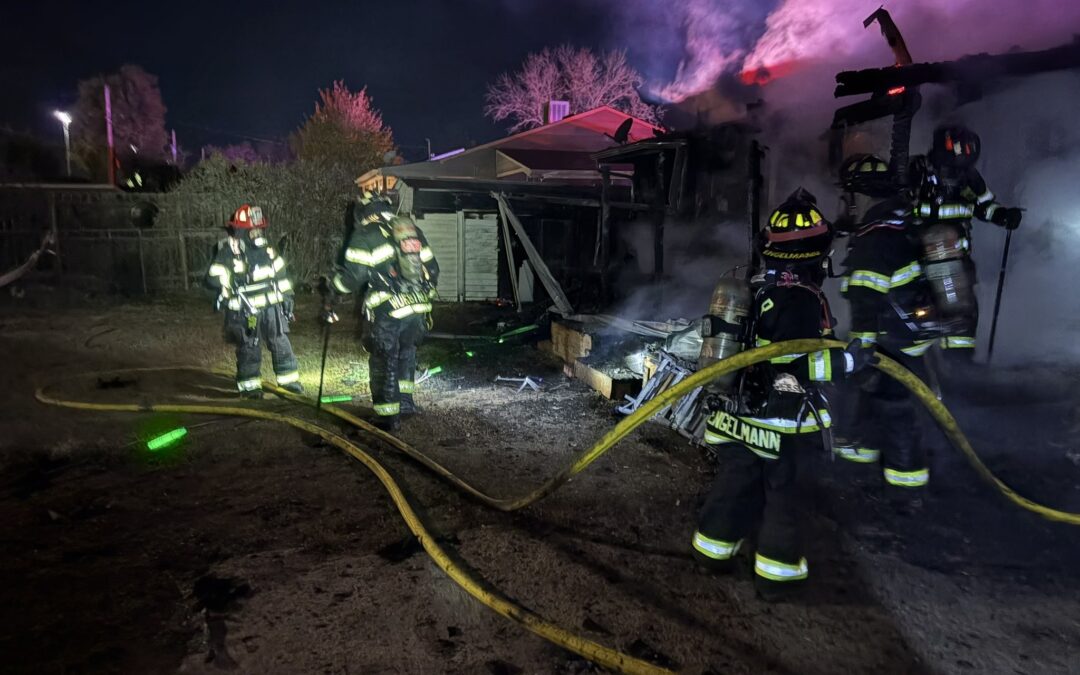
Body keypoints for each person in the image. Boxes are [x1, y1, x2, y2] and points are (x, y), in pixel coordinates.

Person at [692, 189, 877, 601]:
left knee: (733, 488)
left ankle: (711, 553)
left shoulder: (755, 287)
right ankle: (778, 578)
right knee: (785, 498)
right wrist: (849, 362)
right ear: (817, 253)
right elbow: (794, 365)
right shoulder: (801, 299)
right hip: (782, 422)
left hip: (739, 416)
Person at [833, 154, 936, 493]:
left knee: (895, 406)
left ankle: (906, 483)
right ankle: (864, 452)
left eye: (846, 196)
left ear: (858, 195)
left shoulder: (875, 237)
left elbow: (865, 294)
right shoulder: (898, 220)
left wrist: (862, 348)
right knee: (876, 395)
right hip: (904, 332)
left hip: (890, 337)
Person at [323, 192, 439, 432]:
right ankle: (405, 403)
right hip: (418, 309)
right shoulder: (412, 231)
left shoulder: (365, 234)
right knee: (407, 353)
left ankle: (387, 416)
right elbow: (434, 269)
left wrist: (333, 288)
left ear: (363, 213)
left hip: (389, 311)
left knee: (383, 359)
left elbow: (353, 278)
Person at [911, 125, 1022, 357]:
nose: (964, 154)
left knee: (962, 314)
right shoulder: (917, 170)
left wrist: (1003, 216)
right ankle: (919, 366)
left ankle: (960, 367)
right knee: (923, 313)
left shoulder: (969, 176)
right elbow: (901, 207)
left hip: (957, 259)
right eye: (960, 147)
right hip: (919, 260)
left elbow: (986, 206)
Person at [205, 204, 301, 398]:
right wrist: (229, 278)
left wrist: (288, 296)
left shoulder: (269, 250)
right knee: (249, 346)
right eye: (253, 230)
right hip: (246, 311)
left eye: (260, 229)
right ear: (241, 231)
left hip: (272, 308)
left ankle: (289, 384)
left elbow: (281, 276)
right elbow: (211, 277)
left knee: (281, 342)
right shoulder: (229, 250)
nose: (258, 233)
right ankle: (250, 389)